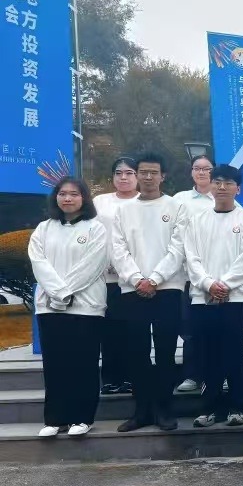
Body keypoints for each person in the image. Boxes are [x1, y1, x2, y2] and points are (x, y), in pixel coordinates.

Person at [111, 153, 188, 432]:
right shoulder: (123, 210)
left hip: (167, 288)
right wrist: (137, 279)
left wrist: (155, 279)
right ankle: (141, 411)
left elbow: (179, 248)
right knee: (137, 352)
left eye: (153, 172)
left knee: (166, 352)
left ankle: (164, 409)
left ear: (163, 176)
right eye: (142, 172)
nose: (147, 177)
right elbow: (117, 249)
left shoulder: (176, 206)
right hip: (132, 290)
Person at [28, 177, 109, 438]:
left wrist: (64, 292)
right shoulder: (44, 228)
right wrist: (58, 293)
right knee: (55, 364)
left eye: (74, 194)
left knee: (83, 363)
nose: (67, 198)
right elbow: (39, 263)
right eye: (62, 194)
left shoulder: (95, 229)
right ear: (56, 197)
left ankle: (82, 417)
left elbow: (92, 265)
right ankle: (55, 419)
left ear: (84, 198)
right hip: (49, 307)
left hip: (86, 306)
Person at [184, 165, 243, 427]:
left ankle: (238, 406)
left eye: (228, 183)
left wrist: (225, 285)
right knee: (208, 353)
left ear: (238, 189)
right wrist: (208, 284)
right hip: (203, 298)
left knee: (235, 353)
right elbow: (191, 258)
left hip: (236, 298)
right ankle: (209, 408)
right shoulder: (198, 221)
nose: (221, 187)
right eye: (217, 182)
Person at [92, 156, 139, 395]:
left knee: (134, 329)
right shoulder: (100, 202)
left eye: (129, 173)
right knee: (109, 329)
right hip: (106, 277)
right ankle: (111, 378)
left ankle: (133, 377)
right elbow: (92, 235)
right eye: (119, 173)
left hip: (136, 278)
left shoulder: (145, 201)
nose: (123, 177)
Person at [173, 155, 216, 394]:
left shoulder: (221, 198)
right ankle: (192, 375)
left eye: (206, 169)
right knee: (189, 329)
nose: (201, 172)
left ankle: (217, 374)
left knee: (215, 329)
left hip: (216, 277)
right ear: (191, 172)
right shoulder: (180, 200)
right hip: (187, 276)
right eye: (197, 168)